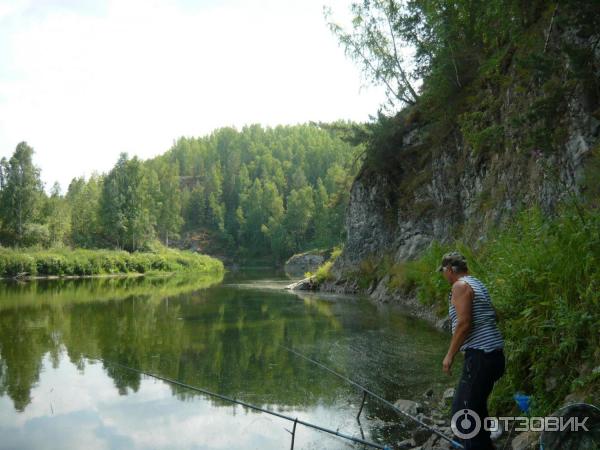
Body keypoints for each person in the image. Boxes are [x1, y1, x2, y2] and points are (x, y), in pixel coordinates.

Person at [439, 251, 505, 450]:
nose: (443, 275)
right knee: (476, 408)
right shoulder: (478, 284)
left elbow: (464, 324)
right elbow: (494, 315)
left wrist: (449, 355)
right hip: (494, 356)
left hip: (480, 357)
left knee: (463, 414)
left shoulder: (459, 286)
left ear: (450, 270)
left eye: (443, 271)